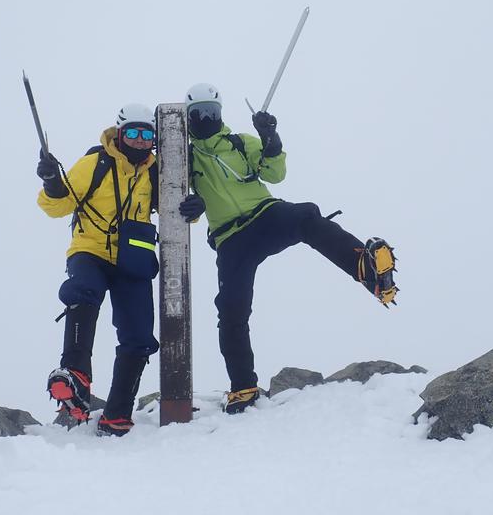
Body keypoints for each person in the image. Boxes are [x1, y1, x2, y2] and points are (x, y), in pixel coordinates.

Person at [178, 83, 398, 414]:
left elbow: (275, 174)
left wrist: (271, 141)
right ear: (188, 118)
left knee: (306, 216)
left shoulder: (239, 143)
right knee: (231, 309)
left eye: (212, 112)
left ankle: (365, 268)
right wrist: (193, 209)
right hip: (230, 238)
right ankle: (243, 388)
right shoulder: (187, 157)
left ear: (220, 113)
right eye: (199, 114)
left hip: (264, 214)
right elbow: (177, 200)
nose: (206, 119)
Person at [36, 103, 160, 436]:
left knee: (138, 335)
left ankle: (117, 414)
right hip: (90, 249)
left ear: (154, 139)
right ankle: (76, 376)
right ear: (119, 133)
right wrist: (51, 181)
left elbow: (178, 212)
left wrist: (195, 207)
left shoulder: (156, 172)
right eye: (132, 133)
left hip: (132, 259)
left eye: (146, 134)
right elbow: (59, 205)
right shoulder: (96, 163)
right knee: (83, 290)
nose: (138, 140)